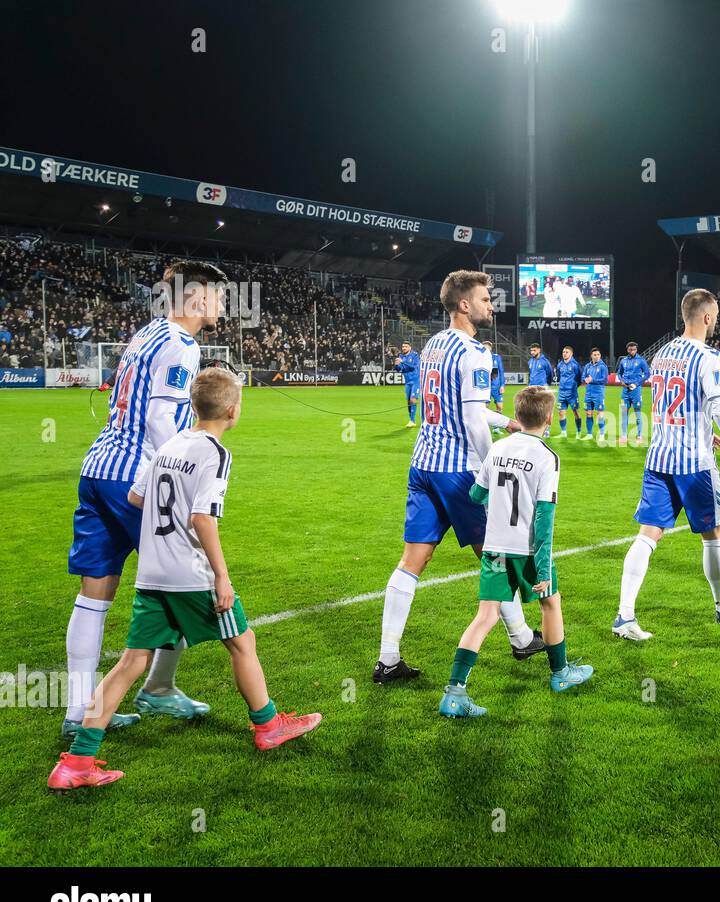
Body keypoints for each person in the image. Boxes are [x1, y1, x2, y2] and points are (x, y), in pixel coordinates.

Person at [48, 368, 322, 789]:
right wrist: (221, 576)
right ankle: (268, 726)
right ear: (233, 411)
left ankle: (76, 763)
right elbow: (201, 518)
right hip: (190, 575)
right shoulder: (215, 454)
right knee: (241, 641)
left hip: (151, 573)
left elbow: (136, 497)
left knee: (131, 662)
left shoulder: (168, 444)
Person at [63, 259, 225, 739]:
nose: (221, 305)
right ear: (196, 298)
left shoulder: (146, 334)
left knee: (94, 595)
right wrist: (185, 467)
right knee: (183, 580)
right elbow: (159, 422)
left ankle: (78, 710)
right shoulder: (181, 346)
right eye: (217, 296)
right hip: (135, 480)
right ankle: (157, 687)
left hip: (98, 469)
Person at [372, 271, 545, 685]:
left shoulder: (434, 345)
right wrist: (494, 471)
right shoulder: (475, 352)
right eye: (486, 299)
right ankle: (521, 638)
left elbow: (464, 406)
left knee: (413, 561)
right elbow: (469, 417)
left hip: (423, 466)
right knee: (497, 553)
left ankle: (388, 659)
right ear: (464, 304)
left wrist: (507, 421)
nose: (491, 305)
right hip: (457, 473)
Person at [439, 386, 592, 718]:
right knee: (550, 602)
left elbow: (477, 495)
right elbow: (544, 515)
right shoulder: (547, 457)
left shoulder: (497, 449)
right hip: (527, 548)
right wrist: (544, 566)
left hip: (494, 547)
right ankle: (560, 674)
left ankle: (454, 693)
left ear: (517, 416)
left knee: (486, 616)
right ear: (549, 418)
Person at [612, 290, 720, 642]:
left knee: (647, 536)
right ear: (705, 317)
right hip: (694, 464)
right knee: (713, 536)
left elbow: (679, 403)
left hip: (660, 457)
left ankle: (624, 616)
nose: (714, 321)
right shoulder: (710, 356)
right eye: (714, 315)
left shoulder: (662, 354)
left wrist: (704, 432)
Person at [616, 341, 650, 446]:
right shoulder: (623, 361)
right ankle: (624, 436)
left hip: (635, 390)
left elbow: (647, 374)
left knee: (638, 413)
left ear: (636, 349)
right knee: (623, 413)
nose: (632, 351)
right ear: (627, 350)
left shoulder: (641, 361)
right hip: (625, 391)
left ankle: (639, 436)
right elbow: (619, 372)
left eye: (634, 349)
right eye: (630, 349)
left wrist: (637, 384)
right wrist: (621, 380)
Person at [581, 347, 609, 442]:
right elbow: (582, 378)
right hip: (588, 393)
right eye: (594, 355)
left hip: (598, 393)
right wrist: (585, 380)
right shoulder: (587, 366)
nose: (596, 356)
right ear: (591, 356)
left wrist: (592, 380)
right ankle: (589, 434)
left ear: (600, 356)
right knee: (588, 413)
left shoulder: (603, 366)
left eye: (598, 355)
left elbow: (605, 380)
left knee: (600, 413)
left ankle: (601, 434)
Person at [554, 345, 583, 438]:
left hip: (572, 393)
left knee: (576, 412)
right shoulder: (560, 365)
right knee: (561, 412)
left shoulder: (575, 365)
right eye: (563, 352)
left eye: (566, 352)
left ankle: (578, 432)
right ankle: (563, 432)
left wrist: (574, 387)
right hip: (562, 393)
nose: (564, 354)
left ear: (571, 353)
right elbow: (559, 376)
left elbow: (580, 378)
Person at [394, 342, 420, 427]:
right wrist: (396, 365)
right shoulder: (401, 356)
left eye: (405, 346)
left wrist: (402, 362)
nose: (404, 348)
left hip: (416, 380)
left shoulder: (414, 355)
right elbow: (399, 369)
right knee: (409, 402)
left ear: (409, 347)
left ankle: (412, 421)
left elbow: (413, 366)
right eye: (403, 346)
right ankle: (411, 420)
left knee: (413, 399)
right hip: (407, 382)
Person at [484, 340, 506, 417]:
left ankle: (496, 427)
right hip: (486, 387)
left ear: (490, 348)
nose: (486, 348)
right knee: (484, 407)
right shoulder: (480, 358)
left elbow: (501, 371)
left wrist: (502, 385)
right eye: (484, 347)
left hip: (496, 387)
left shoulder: (496, 357)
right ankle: (485, 424)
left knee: (500, 407)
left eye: (487, 347)